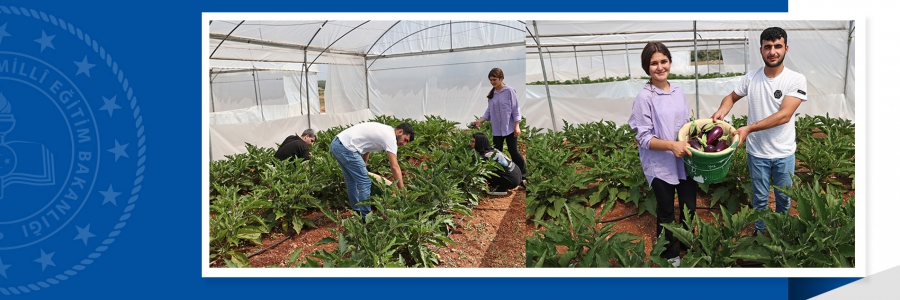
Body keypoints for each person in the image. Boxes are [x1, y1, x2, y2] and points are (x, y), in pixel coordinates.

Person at [711, 27, 807, 235]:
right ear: (761, 50)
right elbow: (731, 97)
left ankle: (780, 232)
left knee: (783, 197)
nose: (772, 51)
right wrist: (722, 110)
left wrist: (750, 128)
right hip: (757, 153)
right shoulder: (751, 77)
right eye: (768, 47)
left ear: (786, 49)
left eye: (777, 46)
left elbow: (785, 115)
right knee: (760, 199)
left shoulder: (796, 79)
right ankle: (760, 234)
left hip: (783, 153)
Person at [627, 41, 697, 267]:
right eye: (653, 63)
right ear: (646, 68)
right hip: (660, 164)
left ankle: (689, 243)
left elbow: (684, 123)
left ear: (670, 62)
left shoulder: (678, 90)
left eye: (663, 61)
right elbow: (644, 138)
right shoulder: (644, 98)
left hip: (684, 159)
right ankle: (670, 254)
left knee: (689, 207)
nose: (660, 67)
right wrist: (671, 146)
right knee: (666, 211)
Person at [330, 122, 414, 219]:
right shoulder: (390, 137)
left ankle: (357, 212)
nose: (404, 144)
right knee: (365, 182)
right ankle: (366, 218)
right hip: (347, 148)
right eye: (405, 140)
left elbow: (367, 146)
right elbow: (394, 167)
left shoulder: (385, 130)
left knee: (351, 182)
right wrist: (402, 191)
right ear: (400, 131)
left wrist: (363, 164)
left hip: (337, 144)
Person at [471, 68, 527, 187]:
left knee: (514, 151)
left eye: (494, 79)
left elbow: (515, 109)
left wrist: (517, 125)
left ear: (501, 78)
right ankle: (501, 179)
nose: (492, 82)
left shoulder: (509, 91)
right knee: (497, 154)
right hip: (497, 129)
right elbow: (489, 111)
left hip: (509, 128)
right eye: (491, 80)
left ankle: (523, 177)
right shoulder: (492, 94)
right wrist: (480, 121)